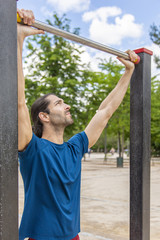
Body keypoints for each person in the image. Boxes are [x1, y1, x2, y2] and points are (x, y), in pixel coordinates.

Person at [17, 9, 138, 240]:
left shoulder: (74, 148)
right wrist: (19, 39)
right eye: (59, 103)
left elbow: (105, 111)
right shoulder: (32, 148)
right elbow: (20, 103)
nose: (67, 106)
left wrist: (128, 71)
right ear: (44, 116)